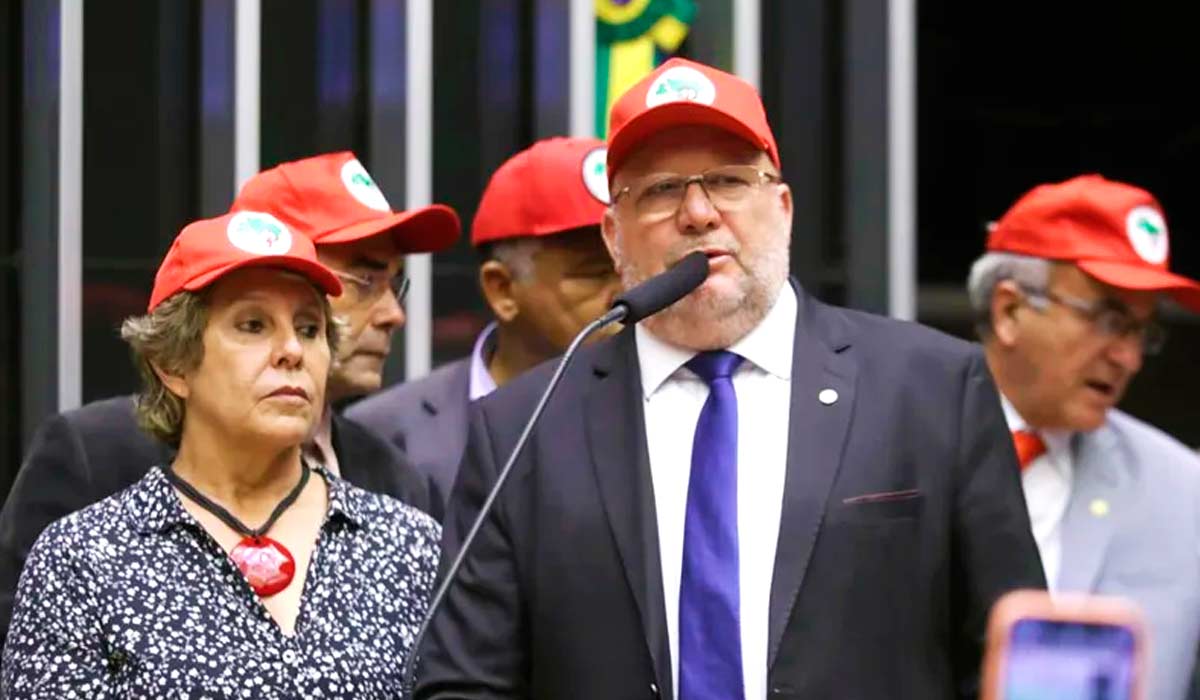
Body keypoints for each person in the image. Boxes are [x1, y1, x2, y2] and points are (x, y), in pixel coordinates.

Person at [415, 58, 1044, 700]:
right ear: (612, 235)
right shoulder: (525, 426)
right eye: (660, 190)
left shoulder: (933, 388)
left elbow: (1019, 663)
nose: (698, 212)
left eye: (728, 180)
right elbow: (465, 682)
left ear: (784, 207)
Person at [0, 151, 458, 645]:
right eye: (365, 280)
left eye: (396, 283)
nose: (394, 313)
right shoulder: (92, 458)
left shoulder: (399, 485)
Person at [967, 174, 1200, 700]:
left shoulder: (1182, 488)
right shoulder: (891, 446)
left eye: (1141, 330)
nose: (1129, 358)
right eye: (1108, 319)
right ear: (1010, 310)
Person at [349, 137, 620, 508]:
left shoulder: (668, 416)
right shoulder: (385, 435)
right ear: (502, 290)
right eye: (593, 274)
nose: (623, 292)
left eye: (632, 269)